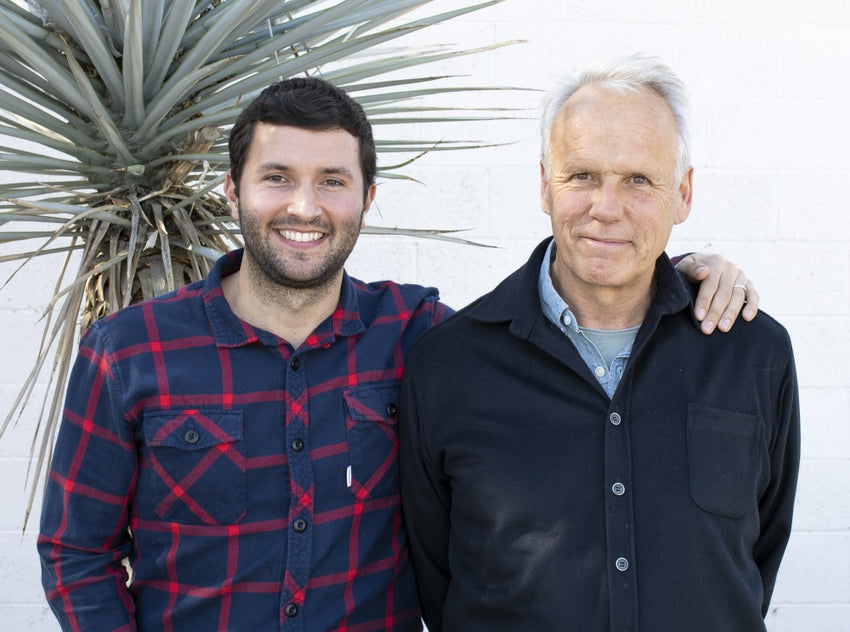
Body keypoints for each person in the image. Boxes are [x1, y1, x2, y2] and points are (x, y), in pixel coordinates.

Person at [38, 76, 758, 631]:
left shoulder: (419, 337)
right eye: (277, 177)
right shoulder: (129, 353)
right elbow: (76, 553)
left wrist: (682, 270)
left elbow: (560, 309)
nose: (305, 207)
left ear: (368, 196)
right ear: (233, 190)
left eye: (333, 182)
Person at [398, 55, 799, 632]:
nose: (605, 208)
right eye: (582, 175)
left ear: (682, 194)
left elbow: (755, 559)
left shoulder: (753, 353)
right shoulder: (449, 365)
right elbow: (439, 578)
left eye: (638, 180)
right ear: (544, 185)